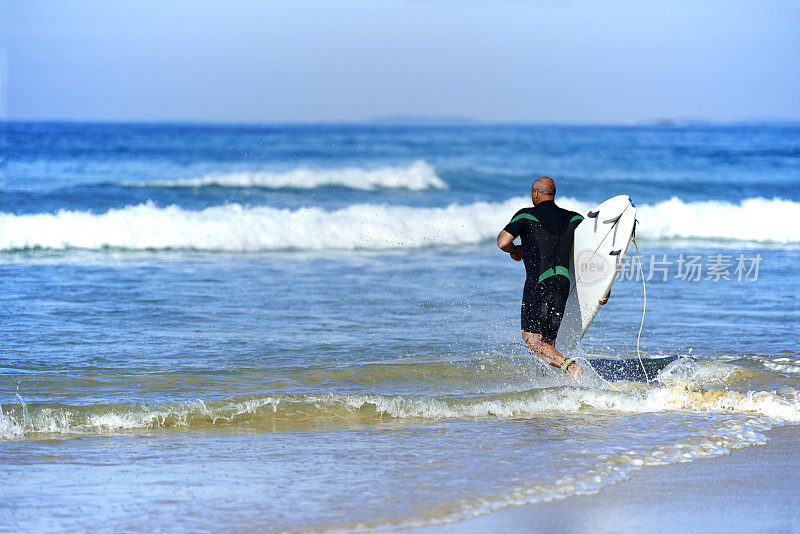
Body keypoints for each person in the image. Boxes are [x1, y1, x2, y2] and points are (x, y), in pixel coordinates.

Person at [497, 176, 608, 380]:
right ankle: (546, 385)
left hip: (538, 284)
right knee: (547, 343)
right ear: (553, 193)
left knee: (532, 342)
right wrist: (604, 289)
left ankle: (570, 366)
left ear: (535, 194)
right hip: (562, 284)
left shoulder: (526, 215)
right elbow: (593, 257)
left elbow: (503, 242)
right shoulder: (575, 219)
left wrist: (515, 251)